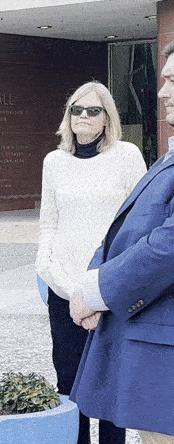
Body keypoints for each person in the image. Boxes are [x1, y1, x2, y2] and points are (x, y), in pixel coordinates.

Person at [69, 40, 174, 444]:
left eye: (172, 80)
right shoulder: (165, 156)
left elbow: (166, 245)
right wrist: (87, 283)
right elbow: (126, 230)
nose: (162, 91)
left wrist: (97, 290)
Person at [35, 80, 146, 444]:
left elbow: (139, 226)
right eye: (76, 109)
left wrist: (102, 291)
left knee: (112, 385)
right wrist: (70, 290)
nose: (83, 116)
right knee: (69, 383)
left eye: (93, 110)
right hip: (64, 292)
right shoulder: (55, 161)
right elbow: (47, 228)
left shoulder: (127, 156)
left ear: (107, 117)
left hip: (112, 290)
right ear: (68, 116)